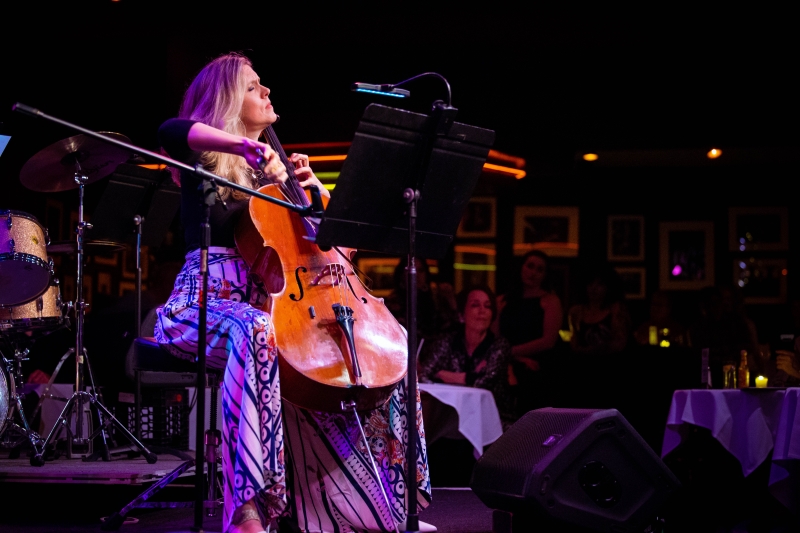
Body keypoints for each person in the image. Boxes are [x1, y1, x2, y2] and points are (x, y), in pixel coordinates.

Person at [154, 52, 431, 533]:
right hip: (201, 305)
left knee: (387, 347)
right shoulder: (203, 161)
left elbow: (337, 255)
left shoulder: (279, 176)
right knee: (257, 330)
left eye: (264, 84)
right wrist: (243, 150)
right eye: (252, 85)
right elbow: (171, 130)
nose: (266, 91)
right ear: (225, 99)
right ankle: (248, 510)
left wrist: (317, 197)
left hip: (271, 305)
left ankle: (389, 504)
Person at [418, 284, 515, 429]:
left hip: (494, 421)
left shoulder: (499, 345)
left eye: (487, 306)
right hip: (450, 418)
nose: (482, 310)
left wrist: (444, 375)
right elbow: (424, 376)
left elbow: (484, 383)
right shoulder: (448, 341)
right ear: (461, 315)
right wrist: (472, 375)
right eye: (475, 305)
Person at [495, 250, 563, 416]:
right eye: (530, 266)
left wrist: (510, 352)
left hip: (539, 367)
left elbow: (548, 341)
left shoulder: (550, 300)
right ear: (521, 267)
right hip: (506, 363)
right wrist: (513, 356)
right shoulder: (502, 300)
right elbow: (494, 337)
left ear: (545, 275)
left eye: (540, 269)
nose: (533, 273)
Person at [568, 263, 631, 357]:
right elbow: (574, 342)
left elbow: (619, 344)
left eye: (600, 284)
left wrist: (592, 350)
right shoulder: (577, 312)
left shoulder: (616, 310)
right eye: (590, 283)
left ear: (609, 287)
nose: (594, 288)